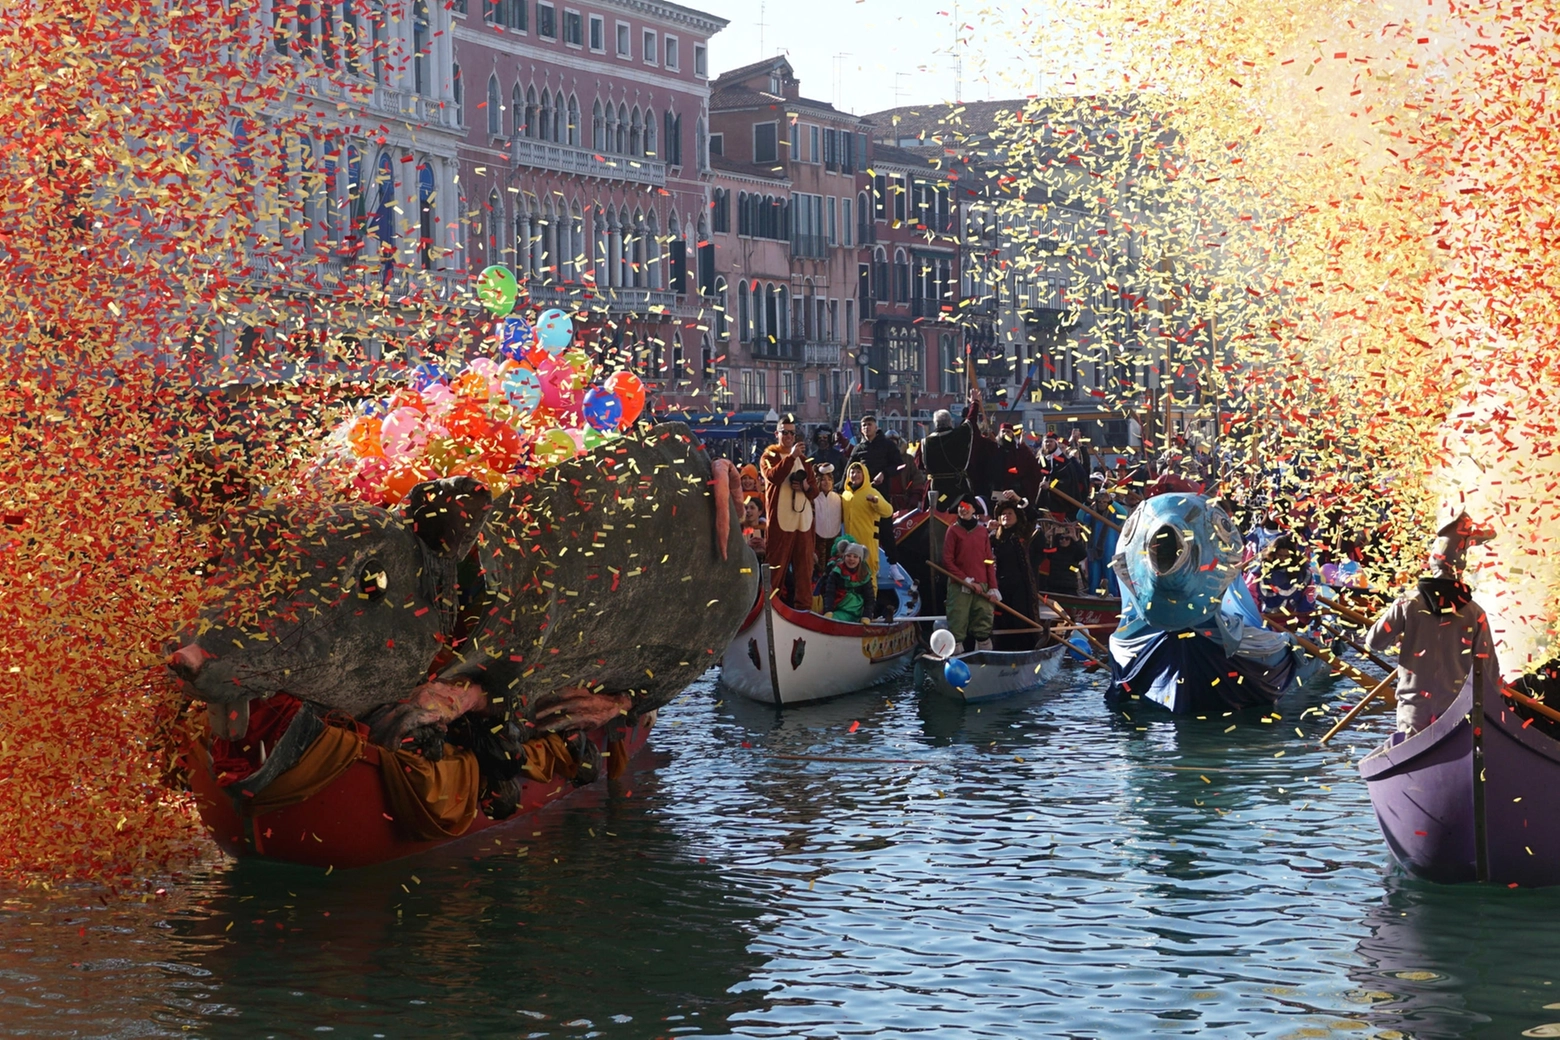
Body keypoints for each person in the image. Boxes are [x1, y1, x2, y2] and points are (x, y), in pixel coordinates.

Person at [1366, 509, 1501, 734]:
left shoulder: (1407, 604)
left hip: (1413, 709)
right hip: (1457, 712)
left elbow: (1374, 643)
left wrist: (1401, 636)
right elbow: (1489, 673)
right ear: (1461, 566)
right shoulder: (1475, 613)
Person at [758, 414, 817, 609]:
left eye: (793, 433)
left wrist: (805, 487)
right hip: (781, 521)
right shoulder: (769, 456)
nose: (790, 436)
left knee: (804, 569)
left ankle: (804, 609)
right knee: (776, 567)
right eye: (785, 432)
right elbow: (773, 476)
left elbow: (815, 491)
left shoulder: (805, 459)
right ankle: (768, 607)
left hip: (803, 521)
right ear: (777, 434)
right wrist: (791, 458)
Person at [942, 494, 999, 651]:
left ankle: (985, 655)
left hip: (983, 585)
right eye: (961, 506)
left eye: (966, 506)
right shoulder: (952, 531)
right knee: (957, 621)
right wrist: (965, 580)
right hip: (959, 585)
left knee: (984, 620)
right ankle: (957, 655)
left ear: (974, 509)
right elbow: (947, 561)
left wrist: (993, 587)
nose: (963, 509)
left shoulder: (982, 532)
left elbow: (988, 560)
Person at [848, 414, 903, 564]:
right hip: (862, 495)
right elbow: (848, 471)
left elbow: (899, 465)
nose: (867, 427)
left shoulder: (887, 445)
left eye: (869, 424)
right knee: (863, 530)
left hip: (882, 493)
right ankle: (861, 562)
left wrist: (885, 473)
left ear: (876, 427)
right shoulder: (858, 448)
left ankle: (893, 565)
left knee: (885, 530)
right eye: (864, 425)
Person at [990, 495, 1039, 651]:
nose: (1006, 516)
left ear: (1017, 517)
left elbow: (1033, 515)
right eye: (1003, 514)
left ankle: (1025, 649)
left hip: (1021, 587)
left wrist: (1018, 499)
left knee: (1021, 619)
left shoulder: (1022, 534)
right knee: (1002, 620)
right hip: (1000, 587)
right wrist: (986, 528)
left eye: (1010, 513)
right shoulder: (993, 538)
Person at [840, 461, 893, 589]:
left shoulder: (871, 492)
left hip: (867, 542)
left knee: (868, 575)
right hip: (850, 544)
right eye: (852, 472)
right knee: (850, 576)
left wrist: (876, 502)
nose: (855, 475)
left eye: (858, 472)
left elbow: (888, 511)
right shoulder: (845, 495)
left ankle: (870, 606)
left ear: (864, 475)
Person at [920, 402, 975, 511]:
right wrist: (973, 405)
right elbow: (970, 423)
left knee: (937, 512)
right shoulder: (957, 435)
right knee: (965, 510)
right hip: (958, 488)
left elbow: (921, 465)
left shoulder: (926, 441)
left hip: (937, 490)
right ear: (950, 422)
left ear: (935, 424)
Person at [818, 537, 875, 623]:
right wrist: (828, 611)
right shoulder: (836, 572)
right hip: (839, 609)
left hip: (857, 611)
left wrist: (867, 616)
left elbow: (869, 598)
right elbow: (829, 593)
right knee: (828, 620)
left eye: (855, 556)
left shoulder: (864, 575)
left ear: (860, 560)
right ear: (844, 557)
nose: (851, 559)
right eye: (848, 555)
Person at [1037, 429, 1089, 520]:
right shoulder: (1041, 459)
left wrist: (1051, 485)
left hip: (1059, 503)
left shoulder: (1064, 462)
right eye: (1046, 442)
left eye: (1051, 441)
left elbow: (1066, 480)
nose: (1048, 444)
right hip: (1042, 501)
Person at [1034, 517, 1088, 596]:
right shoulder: (1053, 551)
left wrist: (1074, 537)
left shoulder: (1074, 552)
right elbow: (1041, 550)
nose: (1064, 540)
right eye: (1061, 538)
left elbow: (1083, 554)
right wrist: (1045, 536)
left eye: (1067, 539)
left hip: (1069, 587)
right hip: (1054, 587)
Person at [812, 463, 843, 572]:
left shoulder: (839, 498)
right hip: (817, 539)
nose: (827, 482)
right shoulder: (813, 499)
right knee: (819, 569)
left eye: (829, 479)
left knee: (834, 567)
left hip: (834, 538)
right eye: (823, 479)